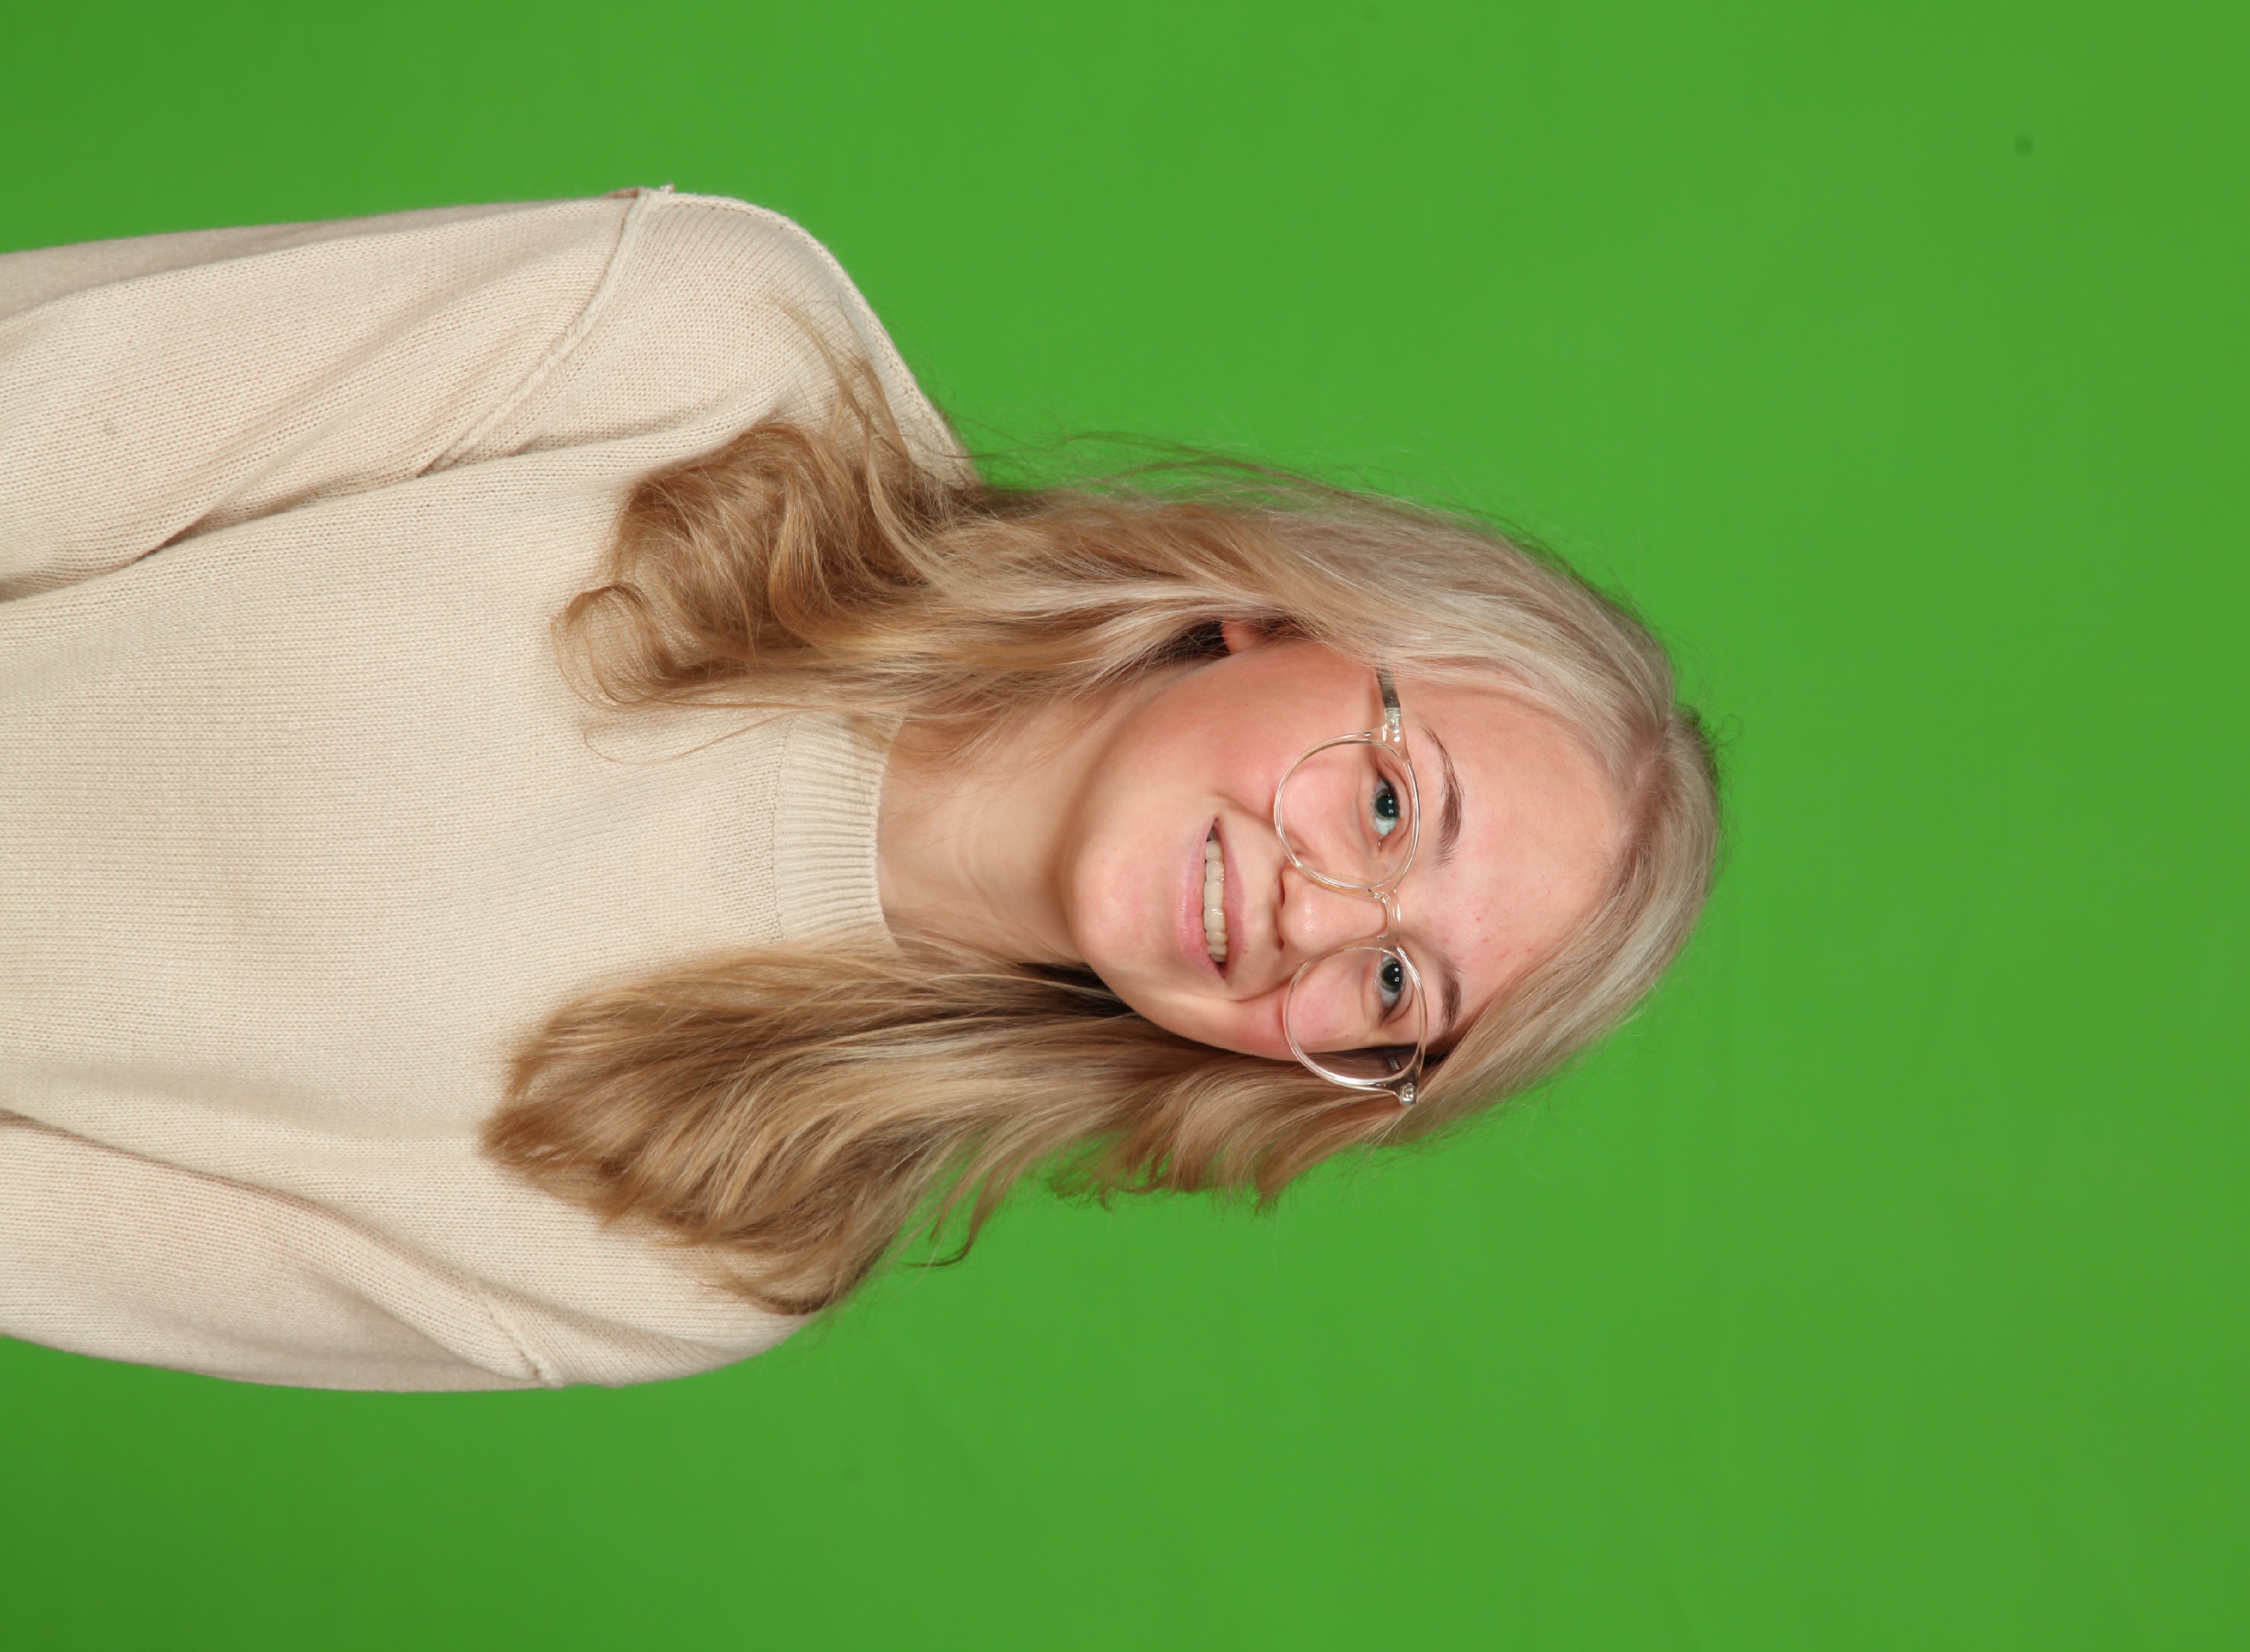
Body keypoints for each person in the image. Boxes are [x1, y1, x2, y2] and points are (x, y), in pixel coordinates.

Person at [0, 188, 1718, 1391]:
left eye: (1398, 989)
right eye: (1394, 808)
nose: (1319, 915)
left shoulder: (711, 1242)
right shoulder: (708, 354)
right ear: (1279, 617)